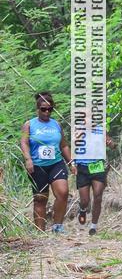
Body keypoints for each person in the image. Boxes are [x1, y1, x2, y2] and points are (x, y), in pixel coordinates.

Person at [20, 92, 76, 233]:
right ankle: (40, 232)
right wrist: (28, 159)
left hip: (56, 163)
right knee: (40, 199)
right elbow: (24, 142)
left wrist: (71, 162)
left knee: (63, 193)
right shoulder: (29, 125)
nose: (46, 112)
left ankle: (57, 226)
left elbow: (63, 145)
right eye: (43, 109)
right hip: (38, 166)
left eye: (49, 109)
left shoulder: (56, 125)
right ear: (37, 109)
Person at [74, 120, 115, 236]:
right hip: (83, 167)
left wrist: (110, 143)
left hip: (97, 166)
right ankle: (82, 210)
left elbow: (112, 145)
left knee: (97, 196)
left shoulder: (100, 130)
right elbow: (73, 147)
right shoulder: (78, 130)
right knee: (85, 200)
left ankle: (93, 226)